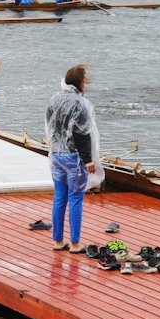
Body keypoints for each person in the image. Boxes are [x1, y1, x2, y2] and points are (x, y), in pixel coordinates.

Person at [45, 65, 99, 253]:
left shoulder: (54, 99)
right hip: (74, 158)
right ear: (79, 83)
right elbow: (82, 134)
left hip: (56, 155)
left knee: (59, 197)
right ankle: (75, 243)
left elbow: (51, 128)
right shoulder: (80, 104)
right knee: (76, 199)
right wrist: (88, 159)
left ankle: (58, 241)